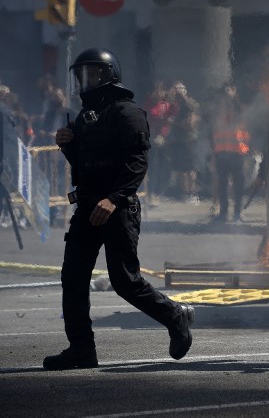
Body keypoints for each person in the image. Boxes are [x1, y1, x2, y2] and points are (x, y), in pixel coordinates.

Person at [44, 48, 194, 370]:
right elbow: (84, 165)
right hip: (88, 207)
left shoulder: (128, 113)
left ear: (108, 74)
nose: (85, 80)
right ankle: (82, 349)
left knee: (124, 280)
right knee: (72, 277)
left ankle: (175, 316)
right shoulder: (85, 117)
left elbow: (137, 164)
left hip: (118, 208)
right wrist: (68, 145)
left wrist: (113, 199)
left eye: (92, 73)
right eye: (80, 74)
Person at [210, 82, 250, 223]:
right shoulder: (217, 112)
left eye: (231, 91)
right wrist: (213, 153)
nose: (228, 94)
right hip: (221, 153)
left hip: (237, 153)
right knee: (222, 185)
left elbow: (247, 130)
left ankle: (238, 212)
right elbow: (212, 132)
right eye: (225, 92)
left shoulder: (240, 110)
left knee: (239, 185)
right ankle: (223, 213)